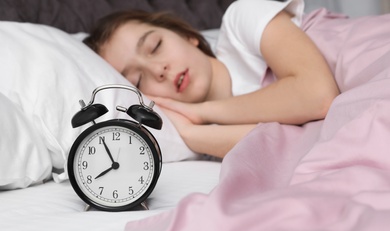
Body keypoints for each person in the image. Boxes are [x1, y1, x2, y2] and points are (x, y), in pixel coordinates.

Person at [83, 0, 339, 158]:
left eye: (155, 45)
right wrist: (190, 133)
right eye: (138, 80)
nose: (158, 69)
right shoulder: (215, 136)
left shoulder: (242, 20)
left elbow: (318, 96)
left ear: (186, 35)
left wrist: (203, 112)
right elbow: (295, 147)